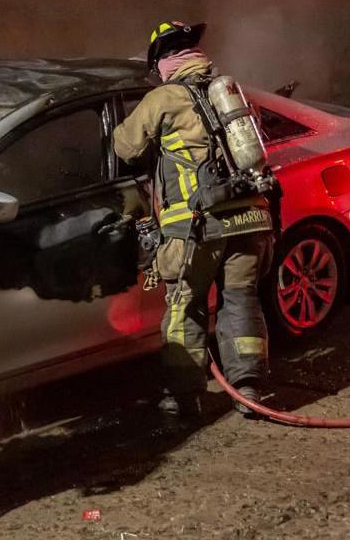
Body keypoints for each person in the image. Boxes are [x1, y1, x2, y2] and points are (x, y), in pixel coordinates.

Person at [112, 21, 275, 423]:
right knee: (241, 301)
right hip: (251, 218)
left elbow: (125, 145)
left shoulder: (164, 98)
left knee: (186, 308)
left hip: (195, 226)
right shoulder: (230, 92)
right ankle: (249, 389)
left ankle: (185, 399)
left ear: (163, 62)